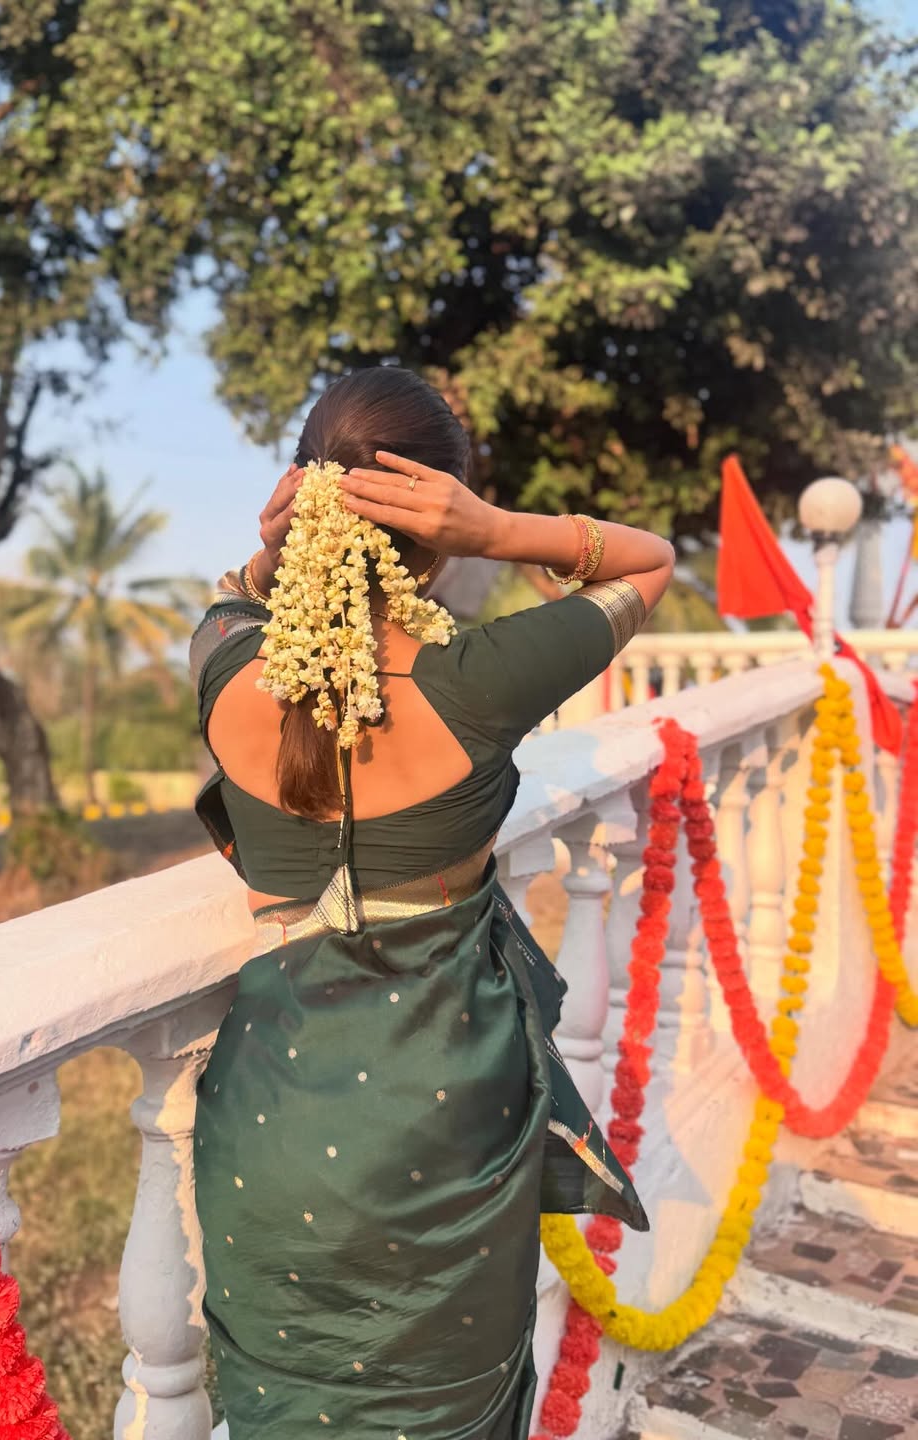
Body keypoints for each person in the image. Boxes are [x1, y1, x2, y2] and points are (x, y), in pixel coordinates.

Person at [189, 367, 674, 1439]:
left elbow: (230, 597)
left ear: (304, 502)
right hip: (443, 1125)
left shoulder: (224, 666)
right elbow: (651, 561)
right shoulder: (480, 676)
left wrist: (276, 551)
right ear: (438, 528)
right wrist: (500, 527)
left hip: (272, 1132)